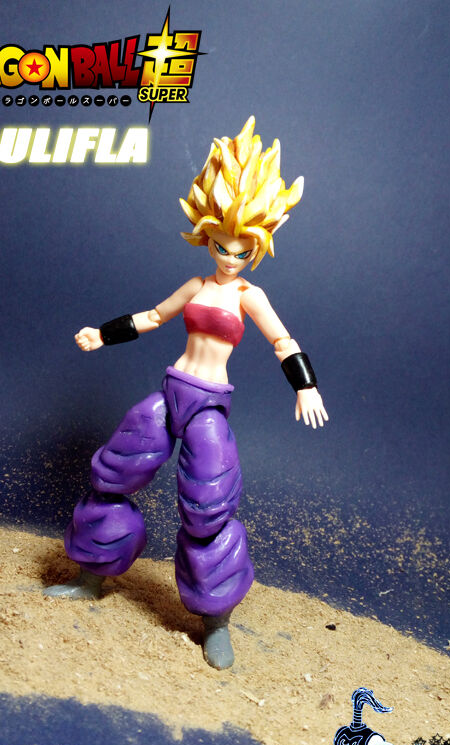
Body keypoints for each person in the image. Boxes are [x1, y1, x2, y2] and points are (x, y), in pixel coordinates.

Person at [44, 117, 328, 669]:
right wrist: (103, 333)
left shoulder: (249, 295)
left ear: (256, 247)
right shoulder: (197, 285)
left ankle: (215, 621)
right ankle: (90, 577)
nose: (229, 256)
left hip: (207, 409)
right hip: (169, 394)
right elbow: (153, 316)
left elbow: (283, 341)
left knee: (207, 510)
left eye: (241, 249)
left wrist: (306, 385)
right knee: (112, 476)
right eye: (221, 245)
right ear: (207, 236)